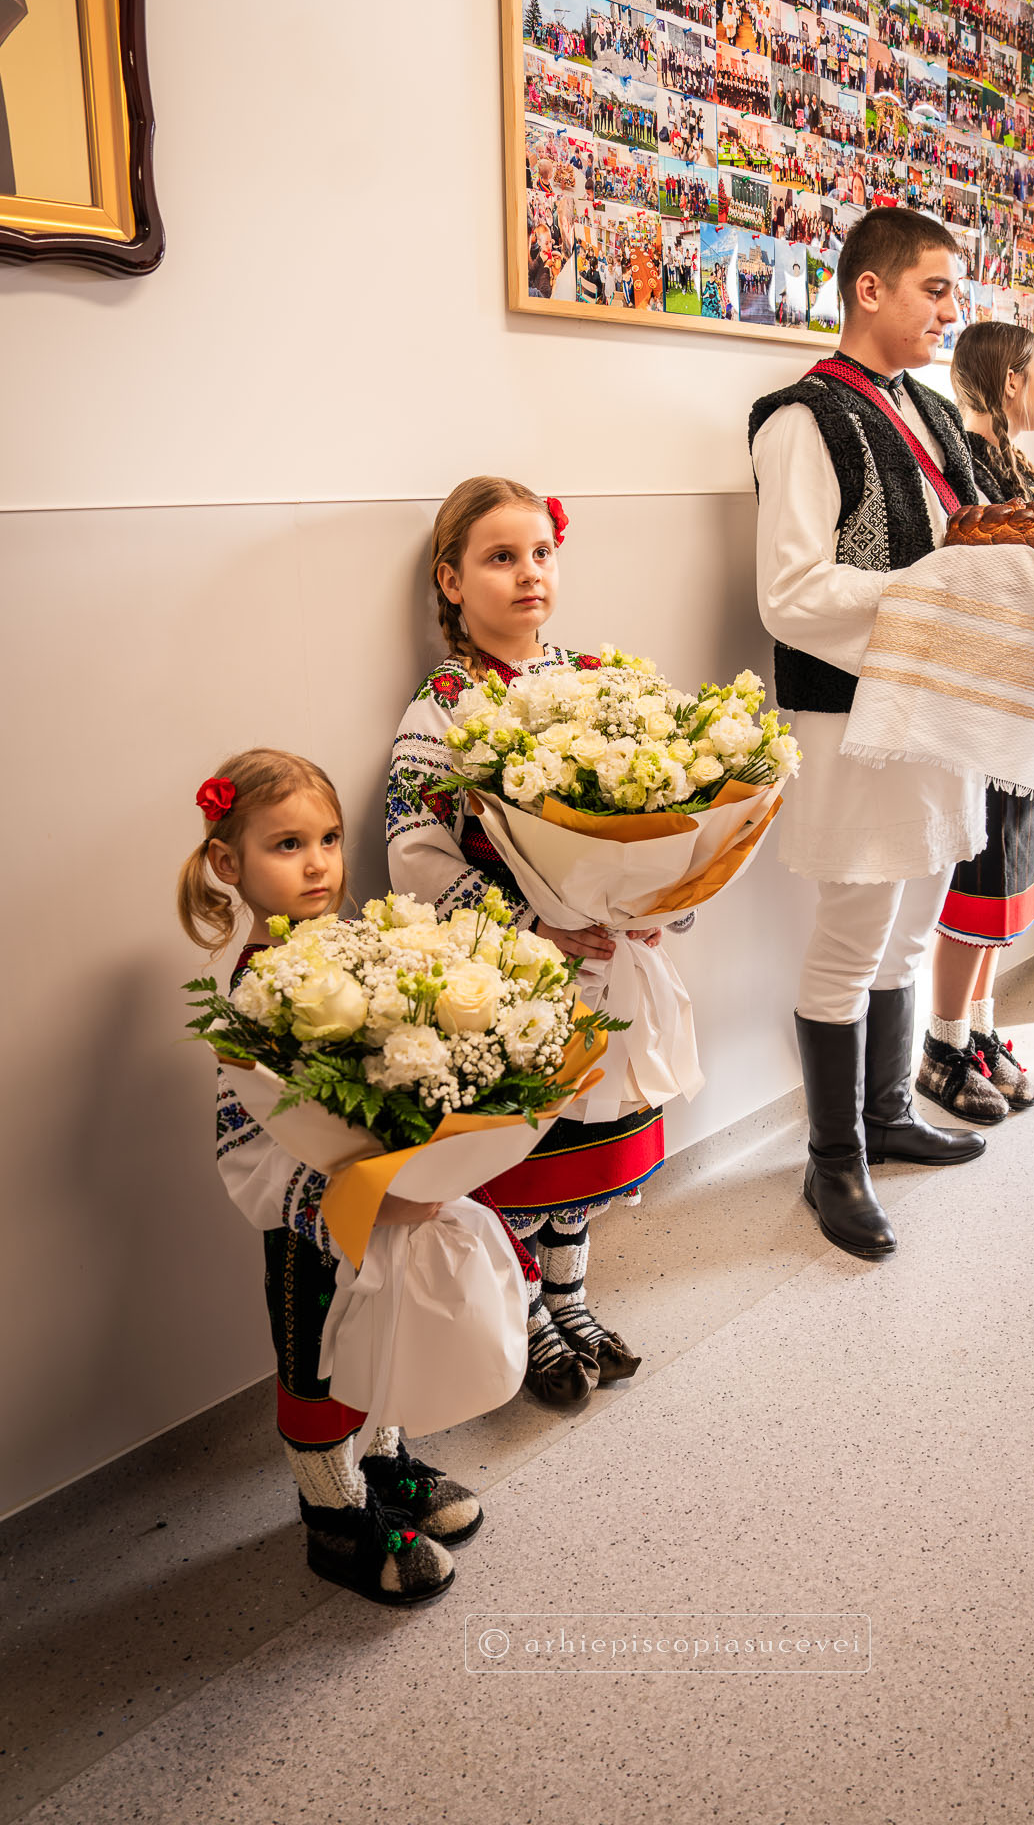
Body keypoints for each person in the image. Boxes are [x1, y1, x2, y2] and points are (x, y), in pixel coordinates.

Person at [387, 478, 683, 1406]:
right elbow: (415, 849)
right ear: (451, 580)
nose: (528, 574)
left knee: (591, 1141)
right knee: (524, 1153)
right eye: (500, 558)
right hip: (509, 976)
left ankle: (571, 1299)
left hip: (606, 961)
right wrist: (530, 925)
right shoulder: (441, 707)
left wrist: (661, 901)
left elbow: (674, 813)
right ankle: (525, 1316)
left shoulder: (600, 681)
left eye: (540, 554)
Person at [178, 750, 479, 1607]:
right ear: (228, 863)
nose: (317, 863)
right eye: (286, 845)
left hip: (383, 1207)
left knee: (379, 1335)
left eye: (329, 839)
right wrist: (361, 1199)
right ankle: (334, 1513)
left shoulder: (356, 946)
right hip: (308, 1229)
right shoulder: (253, 994)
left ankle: (383, 1463)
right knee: (316, 1358)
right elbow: (251, 1141)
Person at [749, 206, 990, 1264]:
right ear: (869, 289)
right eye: (934, 290)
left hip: (940, 707)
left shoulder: (931, 412)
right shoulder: (804, 419)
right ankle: (832, 1157)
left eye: (953, 294)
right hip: (853, 715)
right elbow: (792, 594)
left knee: (914, 922)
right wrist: (935, 599)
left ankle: (887, 1112)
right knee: (850, 941)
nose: (949, 313)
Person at [916, 322, 1034, 1124]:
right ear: (1010, 381)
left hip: (1025, 704)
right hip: (986, 710)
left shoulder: (1014, 467)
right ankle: (939, 1049)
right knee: (977, 882)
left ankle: (978, 1031)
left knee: (1007, 883)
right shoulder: (964, 467)